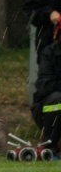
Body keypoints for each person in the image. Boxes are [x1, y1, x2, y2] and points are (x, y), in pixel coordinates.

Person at [32, 21, 61, 155]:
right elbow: (46, 85)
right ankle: (50, 142)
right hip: (46, 108)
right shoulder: (48, 54)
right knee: (57, 100)